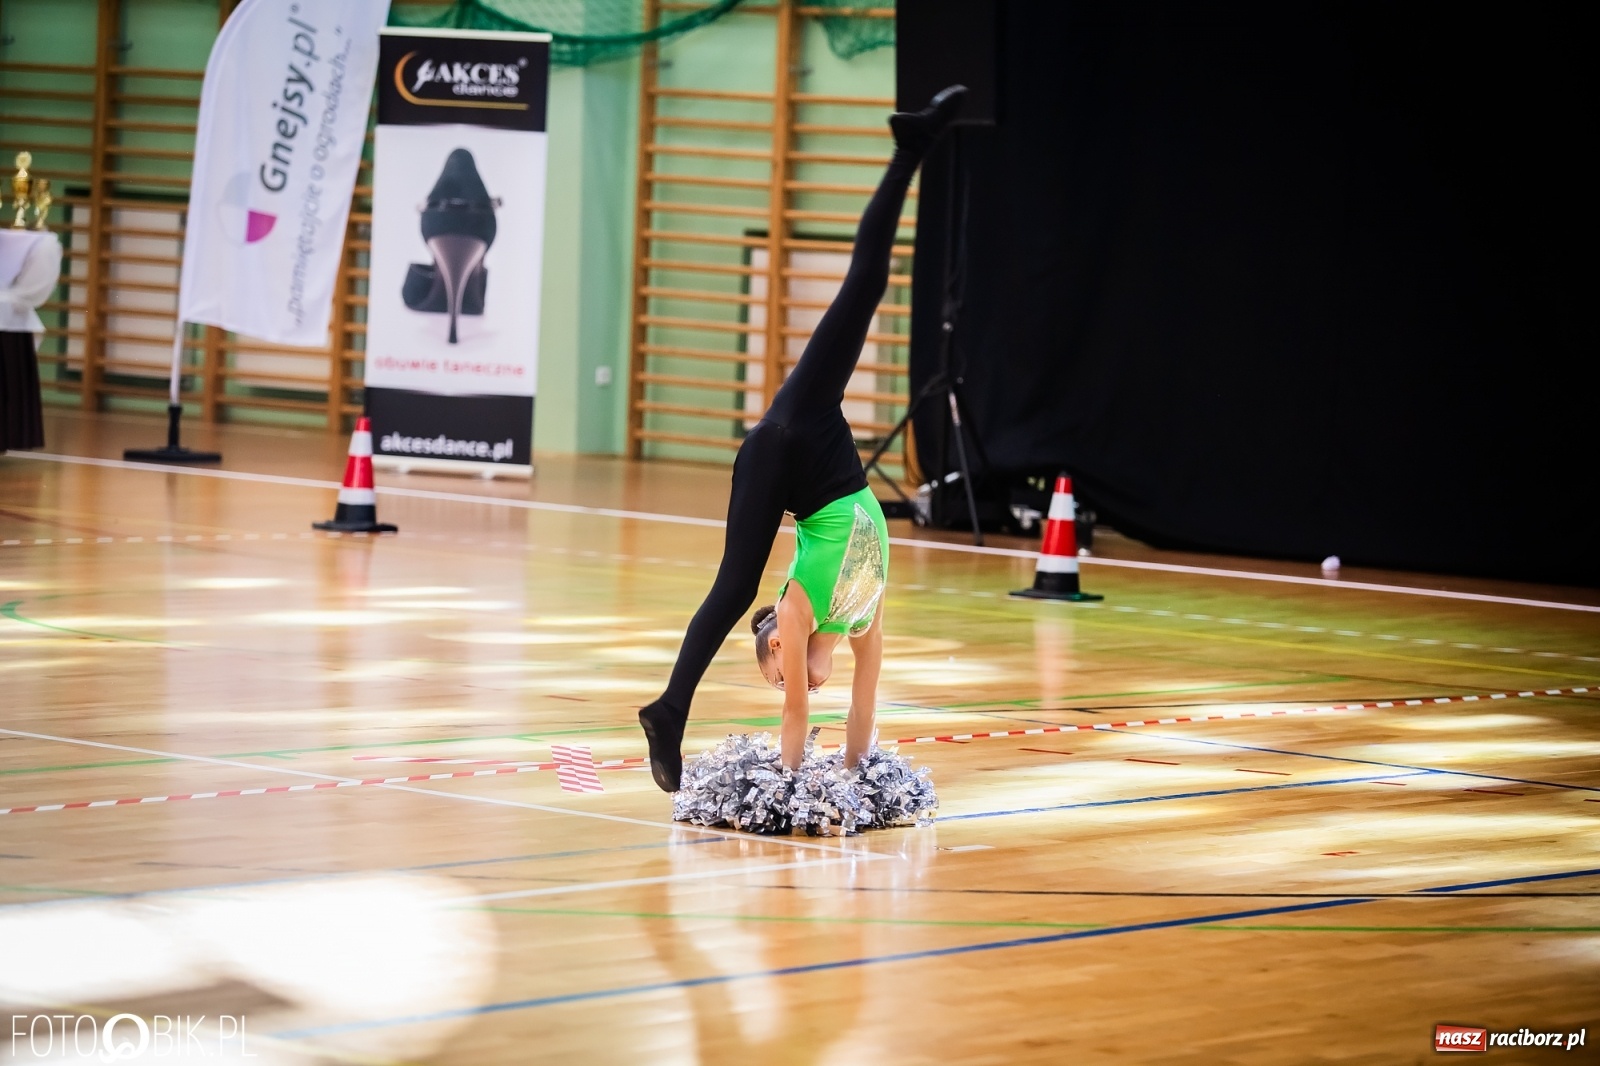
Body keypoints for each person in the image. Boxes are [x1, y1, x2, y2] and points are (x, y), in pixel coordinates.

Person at [638, 85, 967, 805]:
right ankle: (668, 713)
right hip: (806, 451)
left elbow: (800, 717)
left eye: (777, 671)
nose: (792, 683)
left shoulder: (796, 612)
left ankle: (910, 147)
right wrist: (850, 778)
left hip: (794, 430)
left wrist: (798, 787)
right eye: (784, 680)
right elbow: (863, 704)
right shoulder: (862, 611)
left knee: (867, 283)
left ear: (782, 646)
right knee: (729, 587)